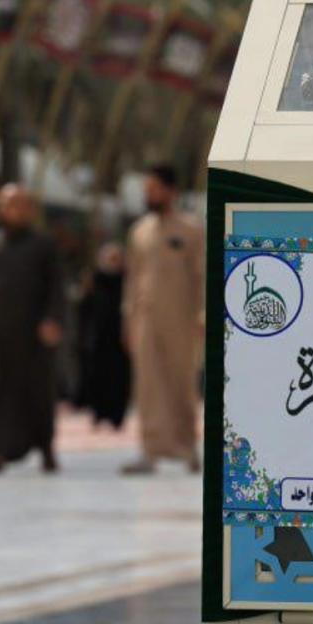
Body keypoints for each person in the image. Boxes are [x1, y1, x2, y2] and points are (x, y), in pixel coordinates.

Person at [0, 185, 64, 473]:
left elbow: (56, 287)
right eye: (7, 204)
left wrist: (52, 319)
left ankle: (46, 449)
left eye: (19, 204)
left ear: (30, 210)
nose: (12, 210)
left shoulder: (44, 245)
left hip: (33, 334)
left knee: (37, 393)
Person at [121, 164, 204, 474]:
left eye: (155, 189)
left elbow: (201, 275)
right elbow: (133, 279)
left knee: (181, 381)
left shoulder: (191, 230)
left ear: (171, 191)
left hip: (182, 318)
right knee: (148, 384)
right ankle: (150, 450)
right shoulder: (140, 231)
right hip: (145, 319)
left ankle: (187, 447)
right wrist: (128, 320)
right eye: (147, 190)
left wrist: (203, 315)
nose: (149, 195)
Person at [79, 242, 131, 430]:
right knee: (97, 378)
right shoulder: (95, 281)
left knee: (119, 379)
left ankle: (117, 416)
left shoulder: (126, 281)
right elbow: (84, 311)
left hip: (120, 340)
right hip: (98, 339)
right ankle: (98, 413)